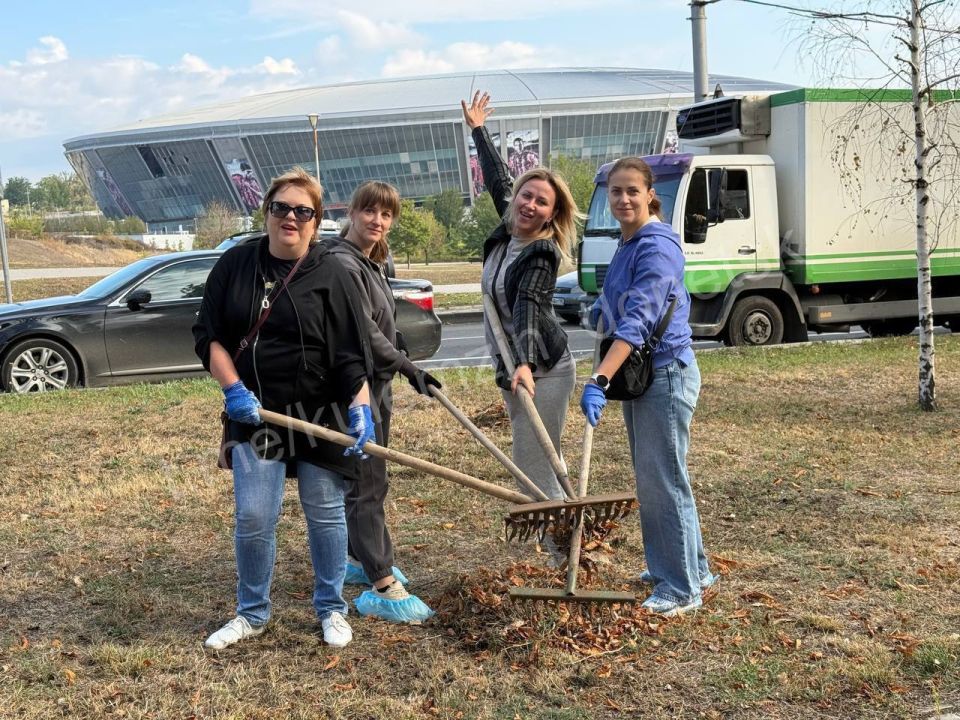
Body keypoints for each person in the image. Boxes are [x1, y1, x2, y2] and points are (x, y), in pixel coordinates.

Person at [193, 166, 376, 650]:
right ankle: (251, 613)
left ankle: (331, 608)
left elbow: (350, 355)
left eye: (302, 211)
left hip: (320, 412)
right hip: (256, 411)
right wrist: (233, 390)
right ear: (267, 212)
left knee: (325, 513)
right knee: (254, 516)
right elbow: (210, 336)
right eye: (281, 208)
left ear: (315, 222)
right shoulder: (236, 264)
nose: (290, 217)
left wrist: (361, 408)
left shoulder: (333, 272)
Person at [579, 157, 716, 617]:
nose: (623, 200)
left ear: (649, 194)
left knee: (661, 482)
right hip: (646, 376)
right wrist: (597, 309)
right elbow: (618, 300)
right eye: (615, 192)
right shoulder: (628, 242)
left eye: (631, 191)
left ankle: (679, 588)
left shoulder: (656, 247)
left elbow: (638, 321)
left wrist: (600, 378)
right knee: (661, 476)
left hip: (664, 373)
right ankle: (693, 567)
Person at [461, 91, 579, 512]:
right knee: (545, 458)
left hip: (543, 368)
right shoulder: (510, 228)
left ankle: (557, 551)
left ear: (551, 214)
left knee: (533, 462)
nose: (529, 204)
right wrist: (478, 130)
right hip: (514, 368)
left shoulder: (541, 252)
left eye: (541, 202)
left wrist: (525, 362)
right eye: (525, 196)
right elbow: (496, 178)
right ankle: (572, 526)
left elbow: (527, 303)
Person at [327, 180, 439, 623]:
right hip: (356, 389)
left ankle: (358, 558)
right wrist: (411, 369)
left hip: (379, 383)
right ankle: (380, 582)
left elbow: (385, 326)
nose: (378, 221)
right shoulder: (342, 264)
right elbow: (365, 335)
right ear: (352, 212)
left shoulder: (370, 261)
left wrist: (403, 360)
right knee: (367, 481)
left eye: (387, 214)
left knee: (369, 478)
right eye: (370, 211)